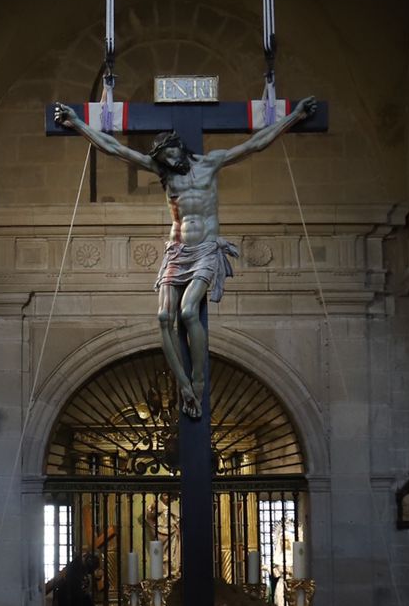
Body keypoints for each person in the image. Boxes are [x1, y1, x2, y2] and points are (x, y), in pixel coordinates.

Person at [55, 97, 317, 416]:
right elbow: (115, 149)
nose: (169, 159)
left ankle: (198, 380)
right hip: (177, 249)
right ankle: (182, 384)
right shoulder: (164, 172)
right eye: (163, 156)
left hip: (206, 248)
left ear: (179, 147)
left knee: (189, 311)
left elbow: (255, 144)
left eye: (171, 152)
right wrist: (78, 124)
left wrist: (295, 116)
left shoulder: (210, 163)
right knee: (164, 317)